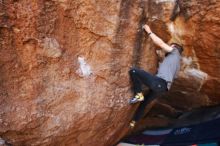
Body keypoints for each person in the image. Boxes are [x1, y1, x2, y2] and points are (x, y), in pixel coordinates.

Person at [129, 24, 183, 128]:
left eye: (170, 45)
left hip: (160, 83)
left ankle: (138, 93)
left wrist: (149, 31)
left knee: (134, 71)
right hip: (162, 88)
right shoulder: (177, 63)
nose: (169, 46)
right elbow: (174, 76)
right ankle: (134, 122)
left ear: (174, 47)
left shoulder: (175, 52)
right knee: (144, 103)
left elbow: (162, 44)